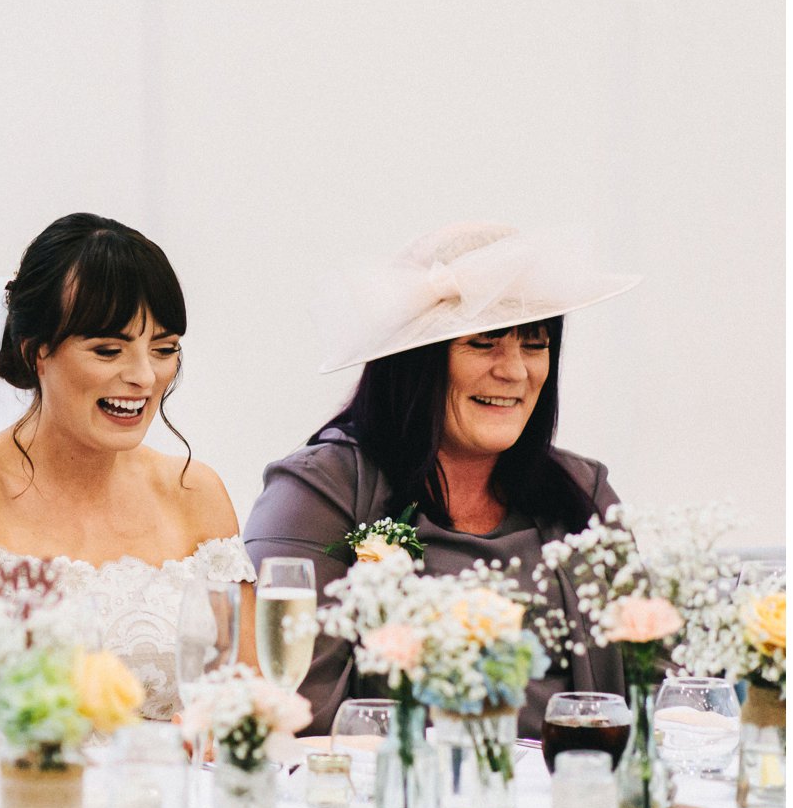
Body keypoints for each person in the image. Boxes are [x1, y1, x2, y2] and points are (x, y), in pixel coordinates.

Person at [0, 214, 252, 779]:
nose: (145, 377)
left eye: (164, 348)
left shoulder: (195, 492)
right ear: (37, 352)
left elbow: (249, 708)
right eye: (108, 350)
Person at [242, 222, 637, 737]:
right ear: (416, 363)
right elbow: (298, 710)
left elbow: (654, 683)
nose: (515, 371)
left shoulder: (584, 491)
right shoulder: (317, 493)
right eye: (484, 343)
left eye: (535, 344)